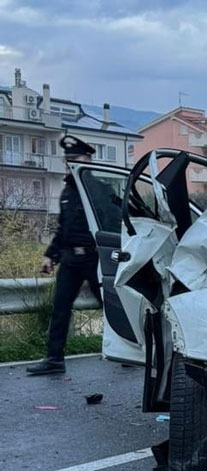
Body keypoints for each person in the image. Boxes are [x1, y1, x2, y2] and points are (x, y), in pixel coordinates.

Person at [26, 136, 102, 376]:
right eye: (68, 161)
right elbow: (63, 230)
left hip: (95, 258)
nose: (70, 165)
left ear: (88, 160)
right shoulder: (67, 192)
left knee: (112, 308)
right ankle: (54, 359)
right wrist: (51, 256)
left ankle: (131, 351)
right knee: (60, 308)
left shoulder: (99, 189)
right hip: (70, 260)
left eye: (76, 160)